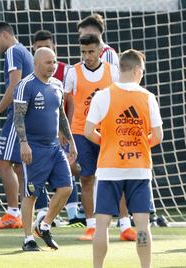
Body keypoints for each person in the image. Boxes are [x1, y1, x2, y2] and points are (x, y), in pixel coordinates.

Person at [85, 49, 163, 268]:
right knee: (142, 226)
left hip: (109, 168)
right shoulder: (148, 97)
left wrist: (108, 143)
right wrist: (138, 145)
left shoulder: (103, 95)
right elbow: (158, 136)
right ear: (138, 70)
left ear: (121, 68)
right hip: (139, 168)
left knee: (102, 225)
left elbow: (89, 130)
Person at [64, 34, 138, 241]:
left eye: (91, 51)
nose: (87, 56)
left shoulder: (112, 71)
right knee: (86, 178)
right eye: (84, 52)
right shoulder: (73, 72)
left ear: (100, 51)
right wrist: (66, 132)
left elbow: (120, 100)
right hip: (80, 131)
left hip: (108, 131)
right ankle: (91, 226)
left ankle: (125, 225)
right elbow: (67, 104)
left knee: (116, 177)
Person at [13, 47, 77, 251]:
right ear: (37, 63)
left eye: (55, 61)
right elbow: (18, 116)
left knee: (67, 187)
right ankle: (28, 239)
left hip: (55, 148)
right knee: (31, 194)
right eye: (48, 62)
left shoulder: (57, 85)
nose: (53, 66)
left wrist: (71, 140)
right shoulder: (26, 85)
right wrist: (23, 143)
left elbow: (61, 115)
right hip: (34, 148)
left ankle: (44, 225)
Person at [32, 29, 85, 226]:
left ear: (54, 47)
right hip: (38, 133)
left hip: (60, 129)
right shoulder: (32, 72)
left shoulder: (66, 70)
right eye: (40, 48)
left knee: (69, 168)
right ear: (34, 50)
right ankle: (43, 213)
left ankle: (72, 212)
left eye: (47, 46)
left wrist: (66, 129)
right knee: (39, 172)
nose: (44, 50)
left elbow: (70, 102)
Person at [0, 21, 33, 228]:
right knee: (19, 167)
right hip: (29, 114)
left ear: (5, 35)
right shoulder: (24, 50)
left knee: (3, 163)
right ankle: (25, 213)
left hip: (18, 115)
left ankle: (13, 213)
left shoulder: (13, 51)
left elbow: (15, 86)